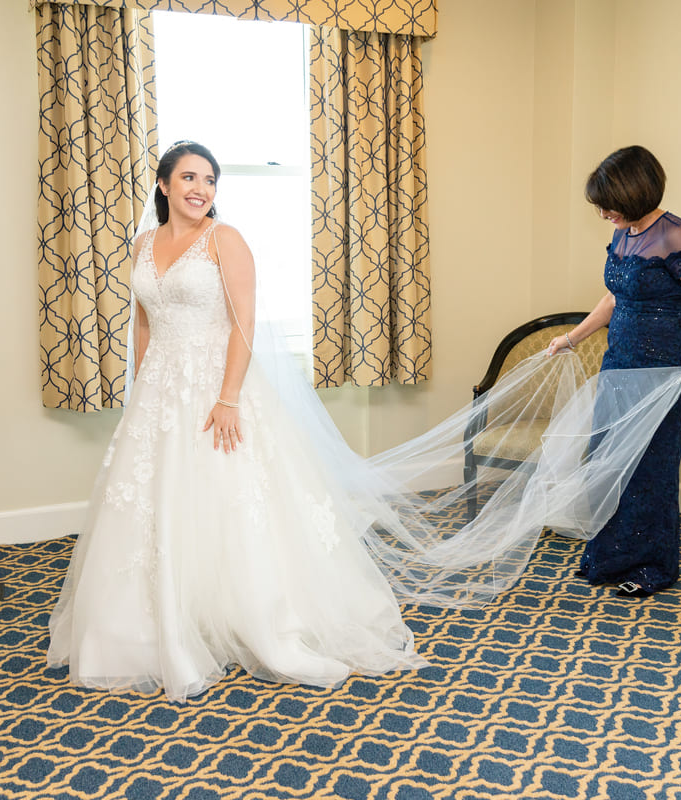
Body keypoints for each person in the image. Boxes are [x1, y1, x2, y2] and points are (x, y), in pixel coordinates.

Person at [46, 141, 427, 700]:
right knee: (152, 503)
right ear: (164, 185)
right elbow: (144, 323)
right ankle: (154, 625)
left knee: (229, 498)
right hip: (159, 391)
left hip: (218, 385)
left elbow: (245, 322)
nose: (201, 189)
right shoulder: (143, 242)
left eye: (210, 180)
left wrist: (227, 398)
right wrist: (141, 386)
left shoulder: (226, 239)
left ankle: (253, 617)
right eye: (189, 178)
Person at [547, 145, 681, 598]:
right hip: (619, 361)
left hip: (665, 368)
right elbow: (613, 298)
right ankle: (610, 555)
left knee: (649, 466)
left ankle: (651, 565)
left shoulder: (677, 237)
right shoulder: (625, 234)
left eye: (608, 203)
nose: (603, 212)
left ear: (634, 192)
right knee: (608, 457)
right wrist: (572, 339)